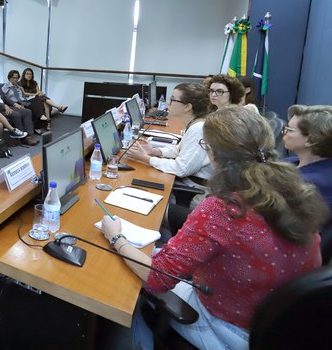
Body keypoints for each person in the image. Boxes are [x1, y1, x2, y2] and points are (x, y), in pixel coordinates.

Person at [99, 106, 328, 350]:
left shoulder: (226, 208)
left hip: (230, 329)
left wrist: (117, 237)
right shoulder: (293, 190)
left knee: (128, 296)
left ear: (215, 155)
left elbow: (157, 278)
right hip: (282, 325)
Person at [283, 105, 332, 208]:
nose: (284, 133)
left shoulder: (311, 184)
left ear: (310, 140)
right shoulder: (291, 162)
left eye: (290, 130)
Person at [0, 70, 37, 145]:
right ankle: (22, 138)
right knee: (16, 114)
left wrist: (14, 104)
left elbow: (5, 97)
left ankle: (29, 135)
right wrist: (3, 105)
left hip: (5, 106)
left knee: (27, 111)